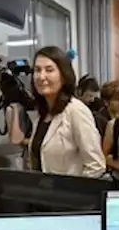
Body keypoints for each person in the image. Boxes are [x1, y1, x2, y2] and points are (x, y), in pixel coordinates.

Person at [29, 46, 107, 176]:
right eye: (37, 70)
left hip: (67, 194)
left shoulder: (75, 111)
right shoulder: (42, 113)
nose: (42, 76)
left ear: (63, 75)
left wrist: (71, 193)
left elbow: (96, 165)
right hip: (42, 194)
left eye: (49, 70)